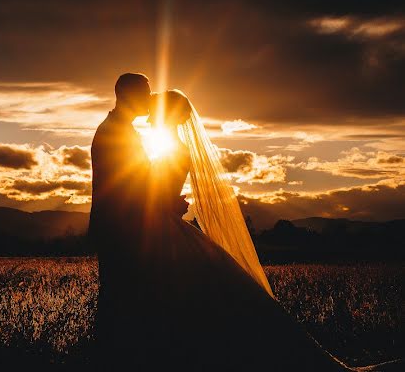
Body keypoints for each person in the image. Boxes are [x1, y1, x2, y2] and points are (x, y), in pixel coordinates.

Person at [88, 73, 380, 371]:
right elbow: (124, 190)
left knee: (155, 304)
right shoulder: (117, 133)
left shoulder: (128, 134)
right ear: (128, 94)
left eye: (153, 100)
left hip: (145, 232)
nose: (149, 105)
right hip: (130, 232)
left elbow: (139, 188)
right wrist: (166, 202)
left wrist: (165, 202)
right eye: (146, 96)